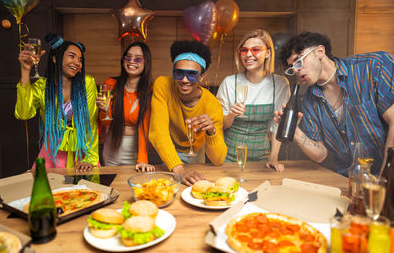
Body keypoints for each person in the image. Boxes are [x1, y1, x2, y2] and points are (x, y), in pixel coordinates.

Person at [276, 31, 394, 175]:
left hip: (386, 179)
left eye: (299, 61)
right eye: (292, 68)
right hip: (348, 180)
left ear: (319, 52)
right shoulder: (309, 101)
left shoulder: (373, 66)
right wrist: (296, 133)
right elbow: (321, 155)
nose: (296, 70)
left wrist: (385, 182)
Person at [15, 34, 99, 171]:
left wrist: (90, 158)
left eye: (80, 59)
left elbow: (91, 123)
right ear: (55, 58)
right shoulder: (42, 87)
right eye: (72, 56)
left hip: (81, 151)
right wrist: (25, 70)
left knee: (85, 191)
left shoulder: (87, 83)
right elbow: (23, 114)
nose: (77, 63)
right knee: (47, 191)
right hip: (52, 152)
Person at [149, 40, 227, 186]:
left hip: (197, 157)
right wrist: (179, 170)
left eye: (192, 75)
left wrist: (212, 131)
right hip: (169, 154)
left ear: (202, 76)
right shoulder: (163, 85)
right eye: (179, 73)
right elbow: (157, 132)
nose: (184, 80)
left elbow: (218, 159)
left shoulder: (213, 105)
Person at [217, 29, 290, 171]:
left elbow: (277, 126)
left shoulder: (280, 84)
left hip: (262, 159)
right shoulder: (230, 82)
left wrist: (273, 159)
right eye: (244, 50)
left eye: (255, 50)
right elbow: (220, 126)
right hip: (228, 158)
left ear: (268, 53)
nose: (249, 54)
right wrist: (232, 115)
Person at [97, 42, 154, 172]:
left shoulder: (151, 91)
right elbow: (105, 123)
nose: (131, 61)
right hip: (112, 144)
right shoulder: (110, 84)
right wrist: (104, 110)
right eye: (128, 57)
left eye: (138, 59)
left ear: (146, 63)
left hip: (135, 148)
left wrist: (142, 159)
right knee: (110, 185)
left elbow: (145, 127)